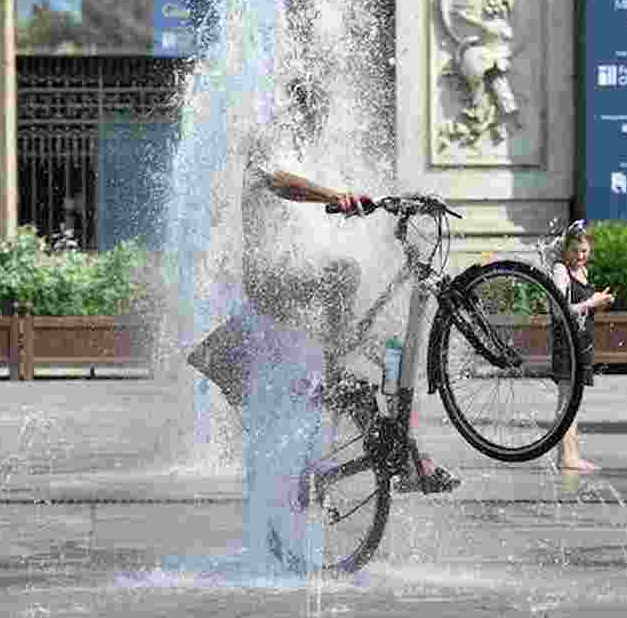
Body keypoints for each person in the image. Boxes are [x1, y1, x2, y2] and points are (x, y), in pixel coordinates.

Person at [189, 75, 461, 493]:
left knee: (383, 360)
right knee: (344, 276)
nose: (316, 123)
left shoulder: (301, 150)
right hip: (269, 280)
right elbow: (283, 183)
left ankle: (404, 460)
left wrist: (396, 202)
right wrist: (337, 196)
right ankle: (335, 367)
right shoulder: (265, 147)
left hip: (293, 278)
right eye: (310, 113)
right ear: (295, 110)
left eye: (321, 115)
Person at [548, 222, 614, 472]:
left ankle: (570, 455)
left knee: (573, 403)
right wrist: (591, 301)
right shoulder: (560, 271)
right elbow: (559, 311)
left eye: (585, 251)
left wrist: (599, 303)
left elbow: (583, 307)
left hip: (582, 342)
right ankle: (567, 457)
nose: (580, 256)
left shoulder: (582, 271)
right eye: (575, 251)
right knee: (567, 402)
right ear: (566, 249)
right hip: (566, 343)